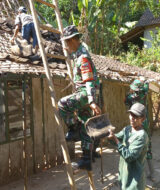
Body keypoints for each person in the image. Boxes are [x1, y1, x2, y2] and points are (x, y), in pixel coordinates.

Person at [58, 25, 101, 171]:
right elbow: (73, 56)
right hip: (86, 94)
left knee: (62, 103)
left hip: (85, 93)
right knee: (85, 126)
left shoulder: (83, 58)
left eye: (67, 42)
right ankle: (86, 159)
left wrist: (91, 101)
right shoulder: (79, 53)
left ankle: (73, 127)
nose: (66, 45)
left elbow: (88, 80)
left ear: (74, 40)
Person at [108, 102, 149, 190]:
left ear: (143, 119)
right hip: (124, 175)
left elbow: (129, 156)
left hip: (134, 180)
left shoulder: (141, 136)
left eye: (136, 116)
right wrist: (106, 134)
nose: (132, 118)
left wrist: (115, 139)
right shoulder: (127, 129)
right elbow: (116, 138)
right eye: (131, 115)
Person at [125, 78, 155, 181]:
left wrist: (130, 91)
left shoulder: (131, 97)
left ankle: (142, 174)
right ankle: (152, 173)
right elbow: (146, 86)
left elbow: (125, 101)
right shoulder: (144, 93)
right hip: (145, 122)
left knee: (138, 149)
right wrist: (145, 81)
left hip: (137, 124)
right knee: (148, 148)